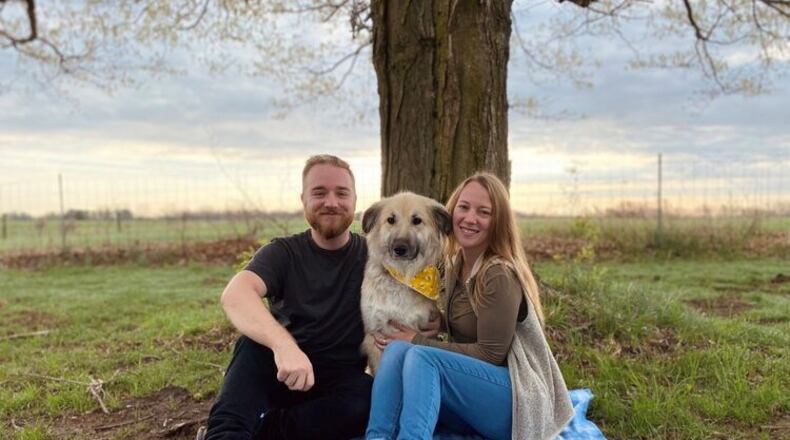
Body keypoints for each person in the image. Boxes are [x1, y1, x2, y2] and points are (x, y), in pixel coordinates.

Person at [366, 172, 574, 440]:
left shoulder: (497, 273)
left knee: (419, 355)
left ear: (497, 222)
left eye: (484, 212)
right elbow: (472, 323)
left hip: (515, 405)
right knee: (396, 350)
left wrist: (418, 340)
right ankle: (377, 436)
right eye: (463, 207)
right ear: (452, 211)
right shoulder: (456, 264)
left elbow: (491, 354)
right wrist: (442, 322)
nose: (470, 218)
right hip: (476, 399)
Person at [204, 154, 373, 440]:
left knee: (368, 397)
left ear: (355, 201)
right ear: (303, 199)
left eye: (341, 193)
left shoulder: (374, 255)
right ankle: (225, 434)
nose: (331, 202)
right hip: (280, 371)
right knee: (251, 347)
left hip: (337, 384)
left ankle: (267, 432)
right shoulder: (283, 253)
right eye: (319, 192)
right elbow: (236, 295)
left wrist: (429, 323)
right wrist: (285, 347)